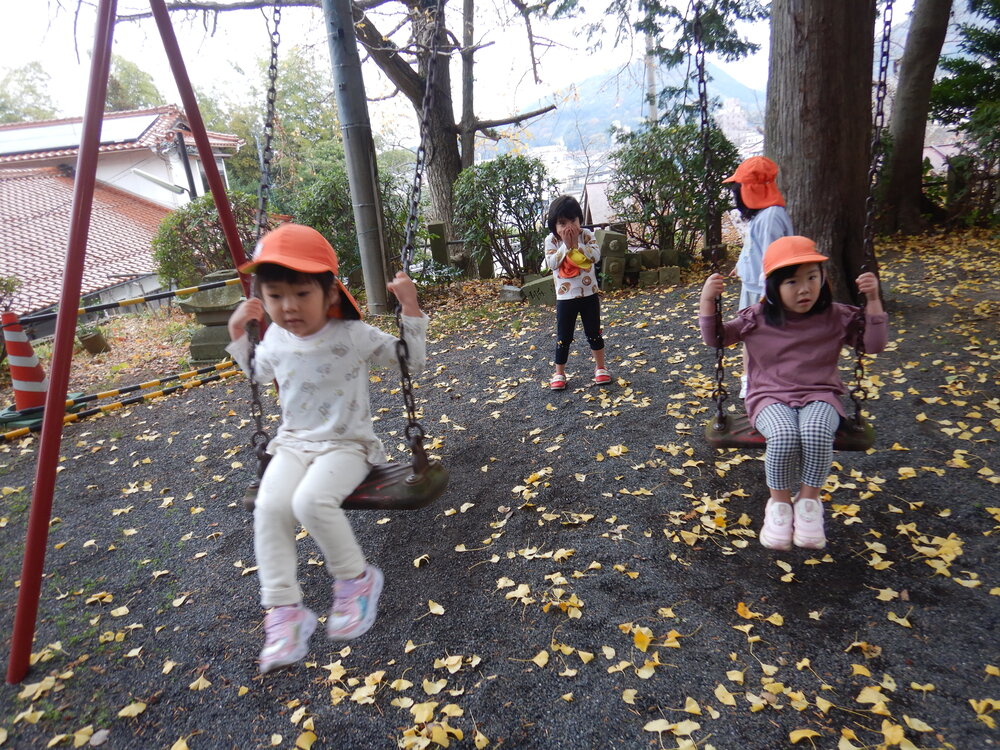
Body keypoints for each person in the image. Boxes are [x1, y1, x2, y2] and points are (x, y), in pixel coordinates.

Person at [226, 223, 428, 673]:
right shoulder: (276, 336)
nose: (288, 307)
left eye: (300, 293)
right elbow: (258, 374)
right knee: (272, 506)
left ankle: (356, 581)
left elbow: (409, 360)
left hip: (347, 446)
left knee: (310, 501)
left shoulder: (352, 336)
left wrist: (409, 306)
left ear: (330, 294)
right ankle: (284, 611)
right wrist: (241, 334)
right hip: (293, 444)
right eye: (275, 296)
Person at [699, 236, 887, 550]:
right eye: (792, 281)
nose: (805, 289)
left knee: (815, 433)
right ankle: (779, 505)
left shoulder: (837, 315)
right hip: (769, 396)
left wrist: (874, 301)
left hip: (821, 394)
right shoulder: (755, 319)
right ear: (772, 286)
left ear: (823, 279)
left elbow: (874, 344)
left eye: (812, 277)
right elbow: (716, 338)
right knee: (784, 435)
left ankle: (809, 504)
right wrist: (708, 301)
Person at [722, 156, 794, 397]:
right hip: (752, 286)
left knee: (766, 336)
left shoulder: (772, 216)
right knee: (749, 334)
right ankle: (749, 380)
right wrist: (741, 264)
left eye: (739, 189)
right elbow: (753, 246)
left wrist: (768, 297)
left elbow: (775, 258)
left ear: (750, 190)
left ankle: (768, 382)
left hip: (765, 291)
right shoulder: (762, 215)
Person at [543, 194, 610, 390]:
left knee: (594, 333)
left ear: (580, 220)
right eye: (562, 223)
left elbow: (595, 257)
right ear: (554, 226)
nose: (569, 227)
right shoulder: (552, 241)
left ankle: (600, 367)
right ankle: (559, 372)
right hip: (565, 297)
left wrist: (577, 246)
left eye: (573, 220)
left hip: (589, 294)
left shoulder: (587, 235)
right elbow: (552, 263)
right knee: (564, 335)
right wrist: (566, 246)